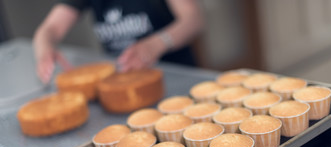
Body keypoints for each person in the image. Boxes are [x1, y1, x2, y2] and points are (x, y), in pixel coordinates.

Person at [33, 0, 205, 83]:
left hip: (175, 79)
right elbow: (49, 29)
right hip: (124, 83)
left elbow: (194, 19)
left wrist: (157, 43)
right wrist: (45, 48)